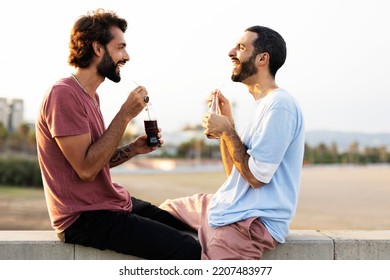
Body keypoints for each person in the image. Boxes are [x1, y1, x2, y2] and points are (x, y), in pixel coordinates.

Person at [35, 8, 200, 260]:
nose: (127, 56)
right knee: (188, 249)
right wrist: (125, 114)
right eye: (120, 47)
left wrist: (132, 149)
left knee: (189, 227)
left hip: (108, 202)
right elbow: (86, 170)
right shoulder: (63, 94)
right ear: (98, 49)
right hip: (84, 217)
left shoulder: (91, 96)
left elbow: (97, 162)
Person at [160, 26, 305, 260]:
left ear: (262, 59)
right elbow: (235, 174)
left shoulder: (279, 105)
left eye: (240, 47)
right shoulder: (262, 104)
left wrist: (228, 131)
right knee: (161, 214)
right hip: (228, 208)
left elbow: (256, 178)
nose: (230, 52)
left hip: (248, 225)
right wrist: (228, 127)